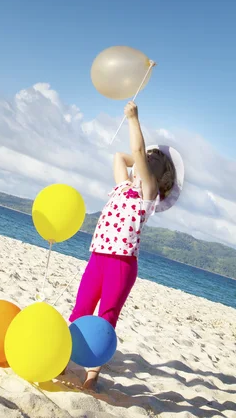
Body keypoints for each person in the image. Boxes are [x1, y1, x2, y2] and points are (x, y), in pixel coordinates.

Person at [68, 100, 184, 390]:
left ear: (161, 179)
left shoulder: (149, 193)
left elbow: (133, 153)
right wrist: (141, 160)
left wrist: (134, 120)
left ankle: (92, 374)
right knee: (80, 309)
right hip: (98, 256)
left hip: (122, 263)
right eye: (148, 155)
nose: (148, 157)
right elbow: (122, 156)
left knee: (106, 315)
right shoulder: (122, 186)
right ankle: (64, 357)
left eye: (155, 160)